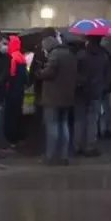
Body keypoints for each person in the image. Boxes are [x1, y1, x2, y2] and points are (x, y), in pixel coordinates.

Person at [36, 37, 77, 165]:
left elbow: (49, 73)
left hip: (53, 98)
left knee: (52, 126)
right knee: (64, 125)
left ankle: (51, 156)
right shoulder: (70, 54)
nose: (43, 51)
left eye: (44, 48)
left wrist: (39, 72)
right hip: (67, 97)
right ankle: (64, 156)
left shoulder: (54, 55)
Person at [74, 36, 111, 157]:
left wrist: (80, 82)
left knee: (79, 119)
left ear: (88, 41)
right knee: (92, 120)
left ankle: (77, 146)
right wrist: (102, 86)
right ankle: (90, 146)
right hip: (96, 92)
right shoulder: (104, 56)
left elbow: (74, 73)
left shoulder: (80, 55)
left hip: (81, 92)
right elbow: (108, 75)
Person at [4, 35, 27, 147]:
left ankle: (11, 139)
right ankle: (18, 138)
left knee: (10, 116)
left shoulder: (13, 58)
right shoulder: (22, 57)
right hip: (20, 91)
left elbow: (11, 76)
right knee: (18, 114)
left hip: (12, 92)